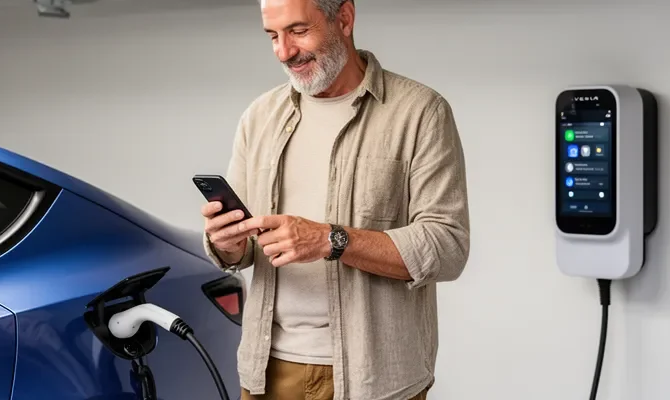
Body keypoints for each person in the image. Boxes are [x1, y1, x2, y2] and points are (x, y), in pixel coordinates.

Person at [200, 0, 470, 399]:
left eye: (298, 31)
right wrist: (227, 244)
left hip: (376, 379)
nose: (284, 51)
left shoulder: (420, 112)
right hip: (267, 372)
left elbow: (447, 246)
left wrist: (331, 240)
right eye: (273, 36)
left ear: (343, 18)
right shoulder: (258, 117)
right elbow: (243, 251)